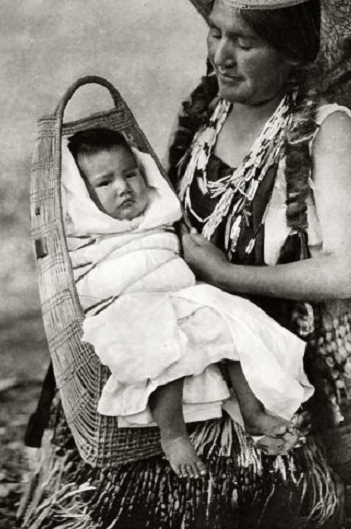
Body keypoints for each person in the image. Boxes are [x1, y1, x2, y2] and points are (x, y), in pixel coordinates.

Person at [20, 0, 351, 529]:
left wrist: (225, 275)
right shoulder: (208, 110)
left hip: (264, 345)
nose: (220, 57)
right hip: (178, 323)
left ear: (291, 49)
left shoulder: (326, 129)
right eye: (215, 33)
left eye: (245, 42)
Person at [63, 126, 314, 479]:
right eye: (105, 183)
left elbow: (173, 253)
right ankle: (173, 434)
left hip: (180, 294)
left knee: (235, 323)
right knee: (167, 349)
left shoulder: (159, 214)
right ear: (82, 195)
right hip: (130, 307)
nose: (123, 187)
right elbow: (87, 282)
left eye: (131, 174)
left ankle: (253, 412)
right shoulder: (85, 232)